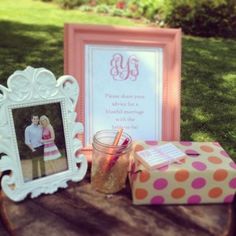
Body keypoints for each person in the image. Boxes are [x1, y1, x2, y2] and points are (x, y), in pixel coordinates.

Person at [25, 115, 45, 180]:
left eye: (37, 119)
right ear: (31, 120)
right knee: (35, 165)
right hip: (34, 148)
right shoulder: (28, 129)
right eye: (34, 119)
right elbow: (27, 141)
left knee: (42, 164)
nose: (36, 120)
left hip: (41, 147)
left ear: (38, 120)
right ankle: (35, 179)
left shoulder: (40, 127)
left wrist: (44, 142)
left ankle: (44, 178)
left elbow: (43, 136)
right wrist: (33, 149)